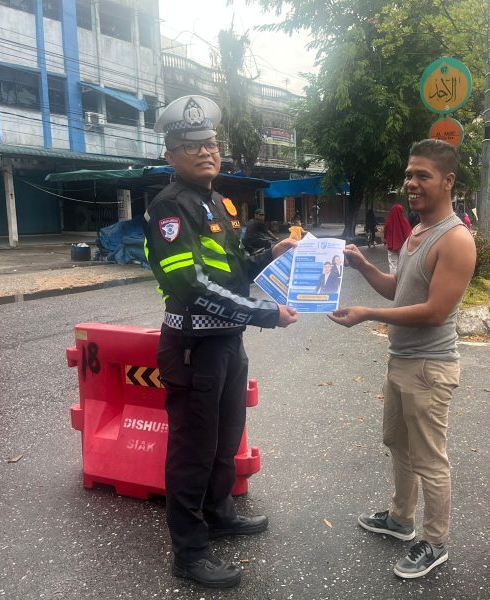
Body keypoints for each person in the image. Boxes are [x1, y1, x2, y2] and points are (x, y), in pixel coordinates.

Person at [144, 95, 298, 589]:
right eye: (192, 146)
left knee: (225, 439)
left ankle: (217, 511)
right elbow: (190, 285)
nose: (206, 152)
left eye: (210, 143)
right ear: (170, 153)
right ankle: (188, 552)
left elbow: (232, 274)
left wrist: (274, 252)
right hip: (193, 348)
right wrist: (266, 314)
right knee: (192, 449)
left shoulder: (216, 201)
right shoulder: (169, 206)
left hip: (227, 345)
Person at [329, 139, 476, 580]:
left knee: (430, 458)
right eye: (409, 175)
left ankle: (434, 542)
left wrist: (367, 314)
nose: (411, 183)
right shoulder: (417, 231)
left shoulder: (455, 240)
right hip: (401, 360)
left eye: (423, 175)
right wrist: (361, 266)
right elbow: (400, 289)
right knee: (397, 443)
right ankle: (400, 518)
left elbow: (434, 311)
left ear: (448, 181)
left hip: (430, 368)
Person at [383, 203, 412, 274]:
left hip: (391, 246)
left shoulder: (388, 221)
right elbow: (409, 235)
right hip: (402, 246)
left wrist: (385, 241)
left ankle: (393, 281)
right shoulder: (405, 222)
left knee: (393, 264)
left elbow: (385, 233)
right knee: (403, 263)